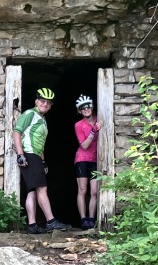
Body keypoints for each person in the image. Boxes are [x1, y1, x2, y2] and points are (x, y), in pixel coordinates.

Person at [13, 87, 72, 234]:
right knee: (42, 189)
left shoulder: (42, 120)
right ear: (36, 101)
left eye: (48, 102)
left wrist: (43, 161)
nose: (45, 104)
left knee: (32, 190)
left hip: (35, 156)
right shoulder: (29, 114)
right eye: (42, 101)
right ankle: (51, 222)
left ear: (51, 106)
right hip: (30, 155)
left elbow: (40, 143)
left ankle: (32, 225)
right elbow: (16, 132)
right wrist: (20, 154)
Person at [74, 95, 102, 230]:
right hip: (82, 159)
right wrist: (93, 131)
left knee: (95, 191)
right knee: (83, 190)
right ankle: (83, 219)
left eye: (88, 106)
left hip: (96, 159)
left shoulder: (99, 120)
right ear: (79, 111)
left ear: (92, 107)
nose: (86, 109)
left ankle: (91, 218)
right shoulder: (78, 125)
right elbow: (84, 146)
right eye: (82, 108)